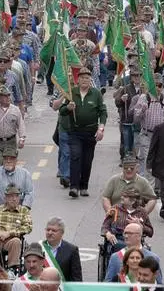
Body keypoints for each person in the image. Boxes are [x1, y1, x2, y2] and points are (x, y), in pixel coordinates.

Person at [59, 66, 107, 198]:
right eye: (82, 78)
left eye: (87, 78)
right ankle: (74, 187)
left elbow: (103, 112)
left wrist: (101, 128)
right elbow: (62, 111)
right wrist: (68, 107)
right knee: (75, 156)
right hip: (75, 132)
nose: (85, 80)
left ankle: (84, 185)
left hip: (91, 132)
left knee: (87, 160)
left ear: (90, 79)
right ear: (78, 80)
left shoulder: (96, 94)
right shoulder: (72, 92)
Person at [0, 184, 32, 271]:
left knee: (16, 241)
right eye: (11, 196)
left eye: (17, 196)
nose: (14, 199)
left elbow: (28, 227)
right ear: (5, 198)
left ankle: (12, 269)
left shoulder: (24, 211)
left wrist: (10, 233)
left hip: (11, 239)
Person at [40, 217, 83, 281]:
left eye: (54, 230)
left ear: (62, 233)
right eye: (48, 230)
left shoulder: (72, 250)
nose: (50, 233)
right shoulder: (38, 248)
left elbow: (76, 279)